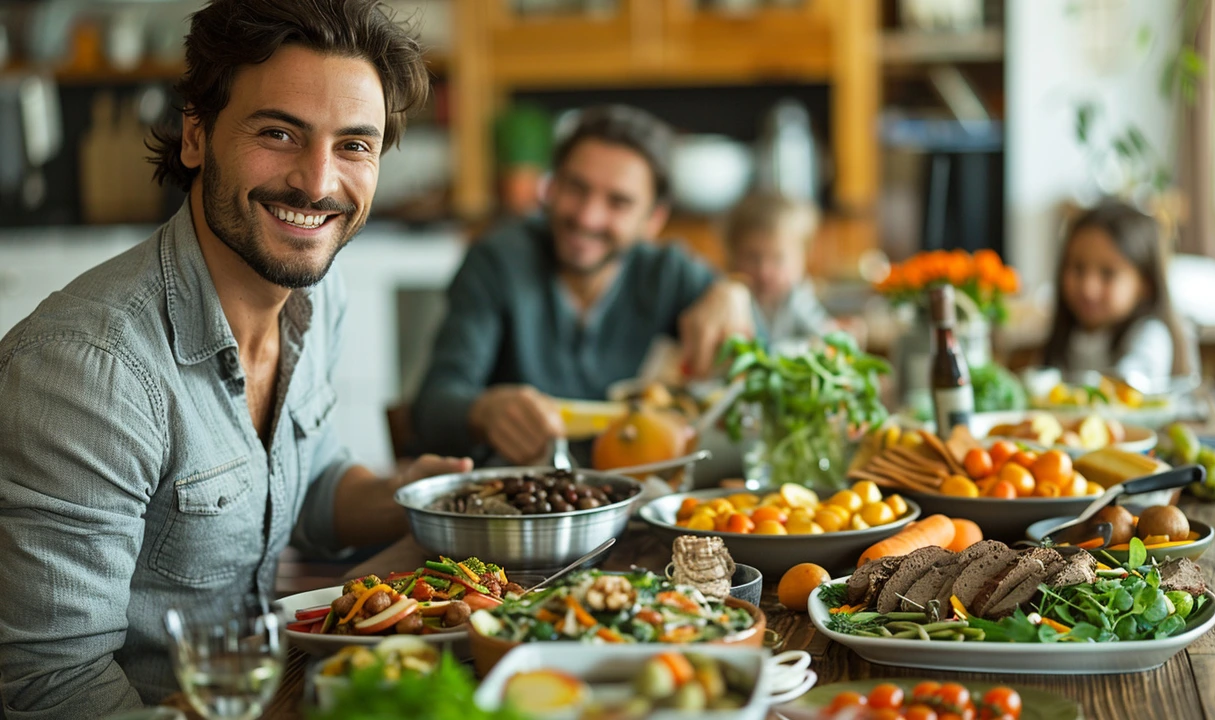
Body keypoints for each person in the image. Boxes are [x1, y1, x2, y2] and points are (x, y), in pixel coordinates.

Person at [0, 2, 467, 716]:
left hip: (280, 686)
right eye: (279, 133)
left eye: (353, 146)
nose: (316, 183)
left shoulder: (317, 292)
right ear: (196, 136)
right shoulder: (89, 371)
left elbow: (303, 489)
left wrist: (422, 502)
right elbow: (50, 686)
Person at [412, 105, 756, 466]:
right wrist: (482, 412)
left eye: (618, 202)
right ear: (552, 185)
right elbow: (433, 406)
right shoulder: (497, 262)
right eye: (576, 188)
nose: (588, 217)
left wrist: (735, 292)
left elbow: (760, 372)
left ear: (653, 219)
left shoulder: (667, 272)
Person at [1043, 201, 1197, 380]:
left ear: (1145, 284)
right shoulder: (1069, 335)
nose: (1088, 288)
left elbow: (1133, 381)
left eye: (1108, 273)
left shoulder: (1150, 335)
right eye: (1078, 268)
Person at [723, 192, 834, 350]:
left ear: (803, 257)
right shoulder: (729, 300)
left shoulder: (798, 298)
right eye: (752, 257)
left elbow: (824, 338)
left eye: (778, 259)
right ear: (733, 256)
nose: (764, 271)